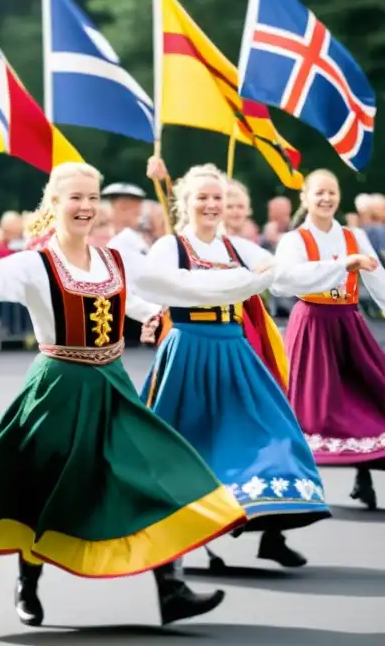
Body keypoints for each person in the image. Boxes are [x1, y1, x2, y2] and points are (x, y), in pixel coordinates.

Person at [0, 164, 243, 628]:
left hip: (111, 383)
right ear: (53, 204)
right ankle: (28, 580)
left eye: (92, 197)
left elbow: (154, 290)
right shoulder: (36, 263)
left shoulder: (113, 259)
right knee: (45, 485)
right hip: (59, 388)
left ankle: (171, 587)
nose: (86, 206)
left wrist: (156, 312)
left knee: (150, 471)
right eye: (75, 198)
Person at [138, 160, 335, 573]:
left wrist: (339, 266)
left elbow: (282, 275)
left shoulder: (236, 247)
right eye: (203, 197)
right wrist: (241, 281)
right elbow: (156, 284)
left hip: (234, 350)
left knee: (274, 431)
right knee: (182, 446)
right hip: (189, 350)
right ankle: (174, 552)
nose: (212, 205)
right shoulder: (169, 247)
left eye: (218, 198)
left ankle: (270, 527)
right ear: (185, 202)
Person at [274, 169, 385, 511]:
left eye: (331, 192)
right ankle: (294, 491)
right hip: (313, 324)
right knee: (313, 408)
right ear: (304, 198)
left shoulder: (354, 236)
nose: (326, 199)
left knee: (369, 394)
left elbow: (377, 278)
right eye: (318, 192)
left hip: (348, 323)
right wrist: (341, 265)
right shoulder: (295, 240)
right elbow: (283, 281)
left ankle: (364, 472)